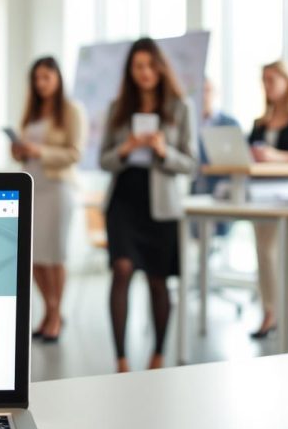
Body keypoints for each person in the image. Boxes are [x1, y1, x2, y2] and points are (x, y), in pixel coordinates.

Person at [100, 38, 197, 373]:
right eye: (138, 66)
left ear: (160, 68)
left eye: (150, 66)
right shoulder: (118, 108)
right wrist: (125, 149)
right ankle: (121, 360)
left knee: (158, 280)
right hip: (124, 199)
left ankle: (158, 355)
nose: (144, 73)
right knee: (122, 270)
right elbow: (103, 161)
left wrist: (164, 151)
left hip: (161, 204)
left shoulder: (180, 107)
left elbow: (191, 164)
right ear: (130, 70)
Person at [13, 57, 85, 342]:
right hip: (33, 187)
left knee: (54, 256)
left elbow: (74, 153)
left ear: (58, 78)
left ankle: (54, 316)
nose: (41, 83)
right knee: (33, 257)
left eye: (46, 77)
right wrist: (19, 151)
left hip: (57, 189)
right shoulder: (31, 112)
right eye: (36, 78)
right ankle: (50, 310)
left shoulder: (71, 111)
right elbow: (25, 151)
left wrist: (40, 151)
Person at [248, 61, 288, 339]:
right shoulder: (260, 122)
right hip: (260, 193)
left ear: (286, 80)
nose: (267, 85)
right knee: (264, 254)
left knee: (282, 255)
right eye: (264, 80)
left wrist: (276, 157)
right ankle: (269, 311)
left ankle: (284, 312)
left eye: (272, 79)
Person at [192, 80, 240, 201]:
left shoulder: (229, 124)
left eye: (207, 91)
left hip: (220, 190)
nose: (203, 96)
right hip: (193, 189)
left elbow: (239, 159)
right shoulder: (189, 122)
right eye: (200, 91)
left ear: (216, 93)